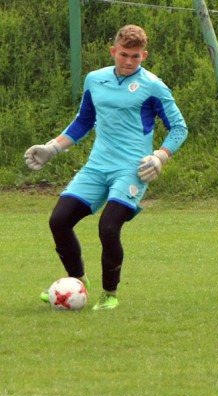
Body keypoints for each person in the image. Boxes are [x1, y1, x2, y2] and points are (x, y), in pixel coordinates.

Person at [26, 24, 187, 310]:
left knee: (109, 227)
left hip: (132, 169)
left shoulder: (153, 86)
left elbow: (179, 127)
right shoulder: (95, 79)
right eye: (124, 54)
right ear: (113, 51)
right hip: (97, 166)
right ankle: (77, 284)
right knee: (59, 221)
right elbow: (84, 121)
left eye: (135, 56)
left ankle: (109, 295)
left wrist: (160, 156)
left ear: (144, 55)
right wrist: (52, 148)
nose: (129, 61)